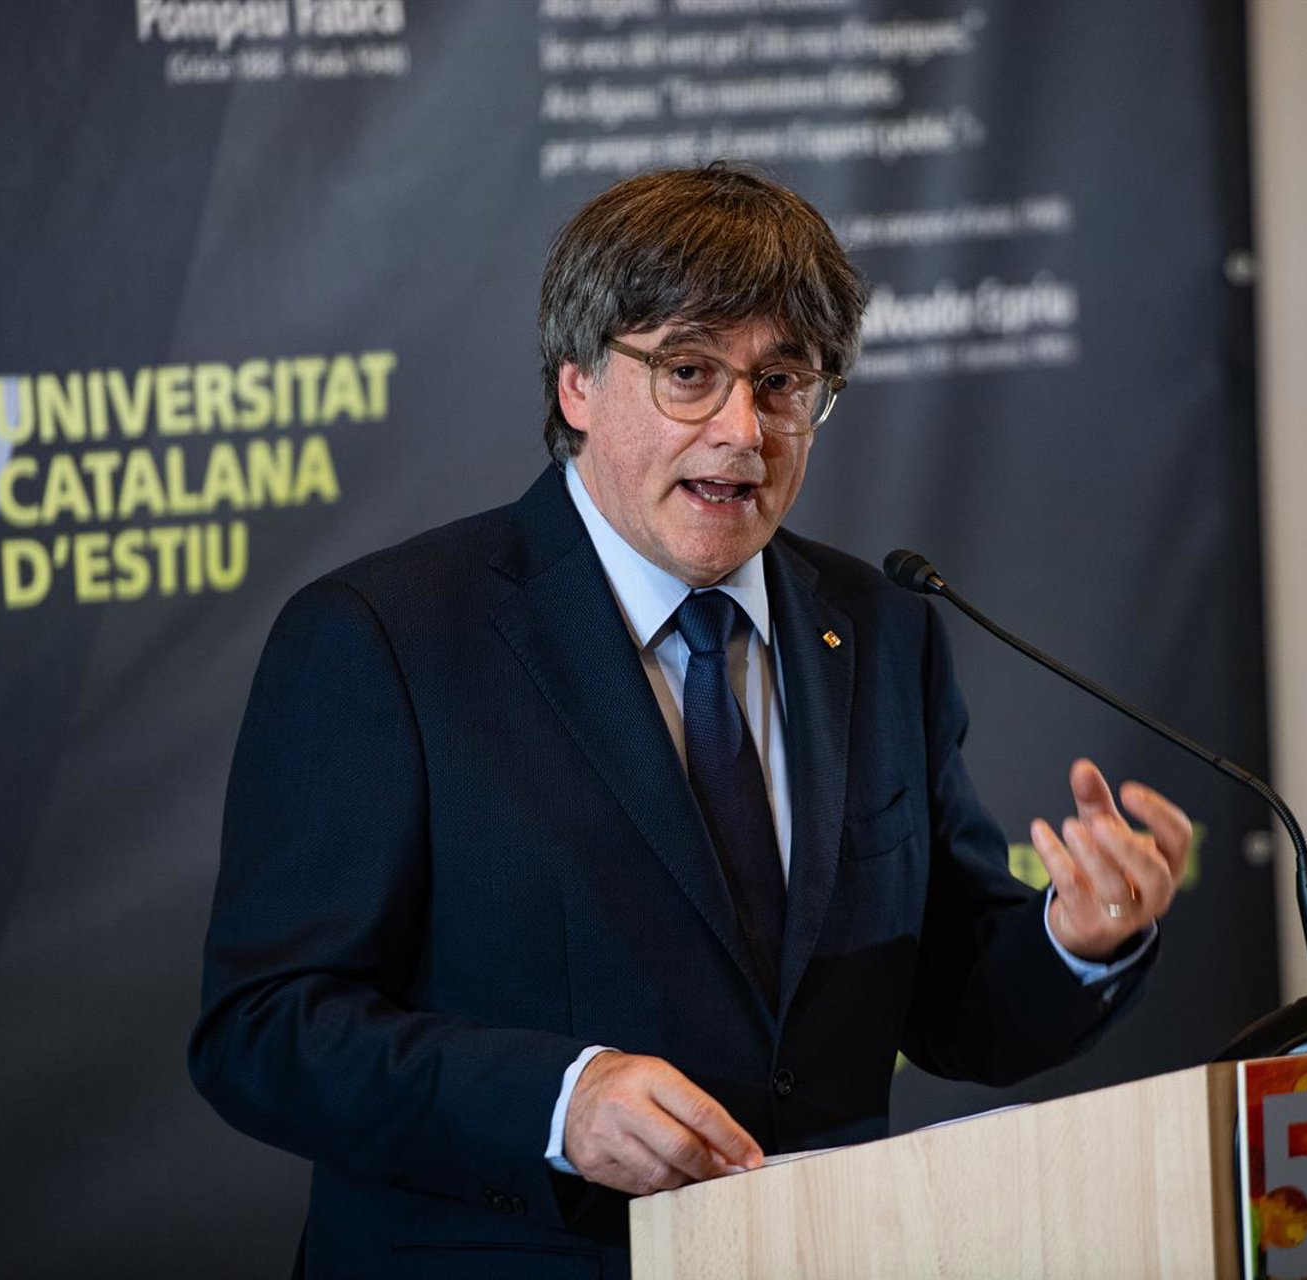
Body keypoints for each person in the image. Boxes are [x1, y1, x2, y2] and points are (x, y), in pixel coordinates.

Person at [190, 163, 1193, 1278]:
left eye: (782, 381)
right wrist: (559, 1101)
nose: (742, 430)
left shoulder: (881, 628)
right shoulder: (385, 636)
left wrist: (1075, 941)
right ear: (577, 383)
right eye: (688, 372)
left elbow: (949, 998)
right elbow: (265, 1028)